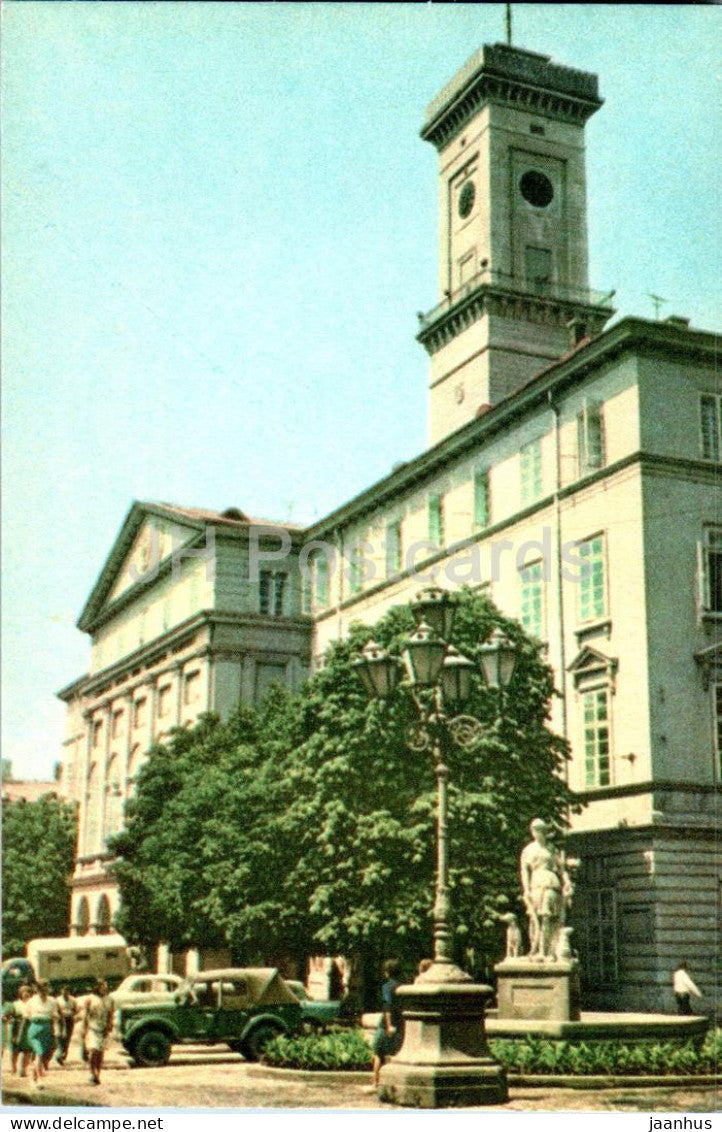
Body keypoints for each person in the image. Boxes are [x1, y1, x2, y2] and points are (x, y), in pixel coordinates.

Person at [519, 818, 573, 961]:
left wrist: (566, 881)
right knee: (535, 918)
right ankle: (536, 949)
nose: (538, 833)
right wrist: (526, 890)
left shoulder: (551, 849)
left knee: (548, 918)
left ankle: (547, 951)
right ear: (532, 831)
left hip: (551, 883)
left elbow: (561, 869)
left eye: (541, 830)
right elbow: (524, 872)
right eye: (535, 830)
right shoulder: (528, 850)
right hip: (536, 884)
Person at [364, 959, 403, 1093]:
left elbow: (387, 1007)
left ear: (387, 972)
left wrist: (388, 1025)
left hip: (387, 1025)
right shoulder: (402, 986)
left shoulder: (387, 987)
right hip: (401, 1023)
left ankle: (375, 1084)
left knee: (378, 1054)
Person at [24, 980, 60, 1087]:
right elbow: (26, 1018)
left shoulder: (52, 1001)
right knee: (39, 1052)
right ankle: (39, 1079)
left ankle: (32, 1075)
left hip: (48, 1029)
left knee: (45, 1054)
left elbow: (55, 1016)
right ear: (37, 990)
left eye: (46, 989)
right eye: (41, 989)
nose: (43, 991)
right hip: (35, 1030)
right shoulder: (32, 1001)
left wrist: (56, 1030)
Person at [82, 979, 114, 1086]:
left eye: (106, 986)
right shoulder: (90, 999)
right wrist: (84, 1029)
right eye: (102, 986)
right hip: (92, 1027)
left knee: (100, 1053)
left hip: (103, 1029)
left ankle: (97, 1074)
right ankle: (92, 1072)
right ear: (97, 987)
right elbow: (85, 1015)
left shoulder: (109, 999)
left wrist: (109, 1025)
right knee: (93, 1051)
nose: (105, 988)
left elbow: (111, 1013)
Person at [4, 985, 32, 1076]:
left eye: (28, 992)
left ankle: (23, 1070)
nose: (26, 994)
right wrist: (13, 1019)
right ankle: (13, 1068)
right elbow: (8, 1016)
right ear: (20, 994)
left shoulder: (33, 1004)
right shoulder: (15, 1004)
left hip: (28, 1027)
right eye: (23, 992)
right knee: (14, 1049)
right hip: (16, 1027)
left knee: (27, 1050)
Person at [55, 986, 78, 1065]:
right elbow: (55, 1010)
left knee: (67, 1037)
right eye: (64, 991)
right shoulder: (58, 1000)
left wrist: (72, 1014)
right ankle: (60, 1053)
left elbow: (76, 1010)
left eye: (67, 991)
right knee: (59, 1036)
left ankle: (64, 1054)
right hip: (60, 1020)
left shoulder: (73, 1000)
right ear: (61, 991)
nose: (65, 992)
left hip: (69, 1019)